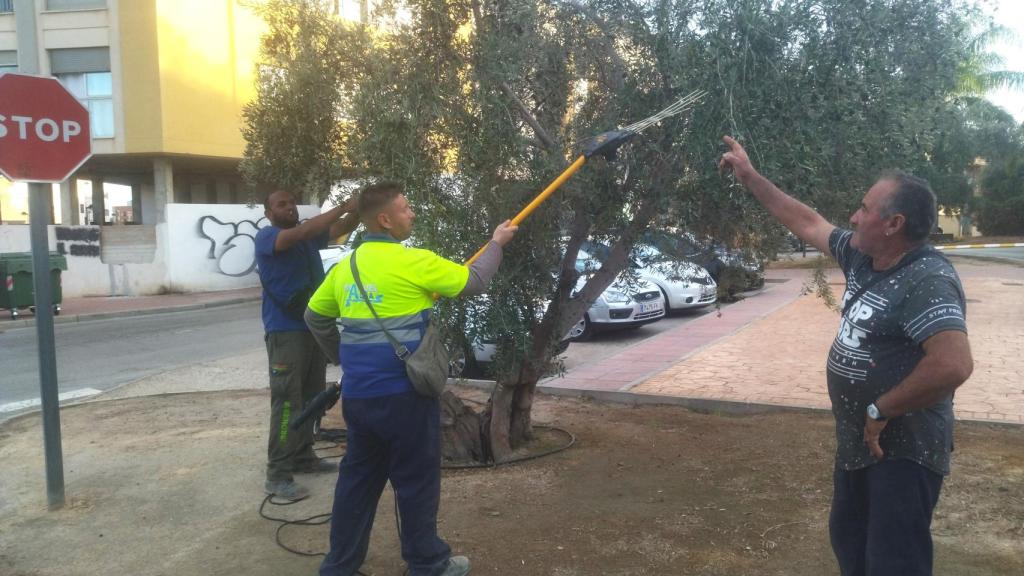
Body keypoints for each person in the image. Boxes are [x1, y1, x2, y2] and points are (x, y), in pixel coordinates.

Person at [719, 136, 973, 576]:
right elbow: (806, 220)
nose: (854, 216)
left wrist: (881, 408)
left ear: (893, 224)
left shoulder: (927, 278)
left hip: (904, 450)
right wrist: (750, 177)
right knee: (851, 545)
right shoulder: (861, 256)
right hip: (859, 444)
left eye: (864, 209)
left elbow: (953, 364)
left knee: (894, 563)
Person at [304, 181, 518, 576]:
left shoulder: (345, 267)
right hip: (405, 396)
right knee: (416, 481)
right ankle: (427, 563)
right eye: (405, 208)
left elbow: (314, 317)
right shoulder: (412, 261)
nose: (412, 213)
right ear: (385, 219)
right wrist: (497, 243)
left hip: (360, 398)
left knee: (357, 481)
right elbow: (474, 281)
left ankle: (339, 567)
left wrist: (343, 355)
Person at [256, 188, 360, 501]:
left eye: (291, 203)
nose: (288, 208)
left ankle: (303, 457)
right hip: (285, 332)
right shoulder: (268, 237)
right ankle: (277, 473)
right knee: (287, 401)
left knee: (312, 396)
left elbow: (342, 228)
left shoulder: (306, 240)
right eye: (280, 204)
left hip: (310, 329)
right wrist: (344, 204)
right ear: (268, 212)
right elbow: (306, 230)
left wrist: (358, 209)